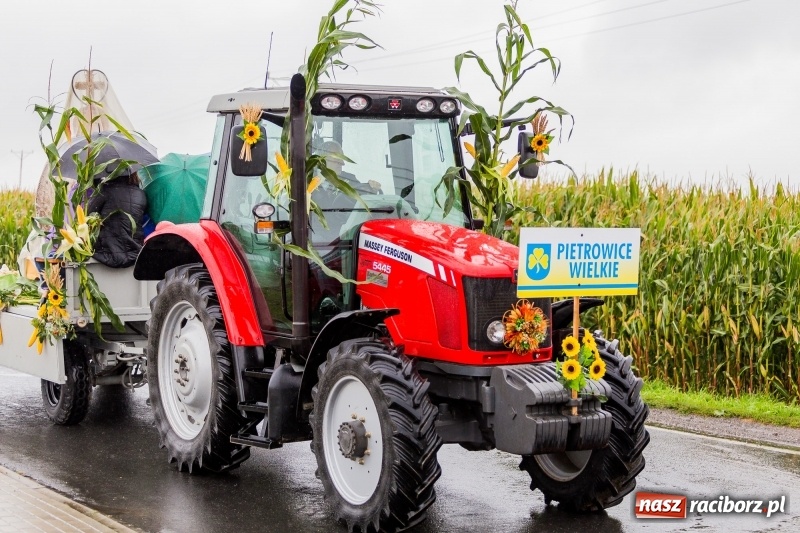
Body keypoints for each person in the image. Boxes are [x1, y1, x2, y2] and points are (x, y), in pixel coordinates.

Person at [87, 171, 148, 268]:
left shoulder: (104, 191)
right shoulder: (141, 194)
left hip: (106, 253)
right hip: (135, 253)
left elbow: (87, 216)